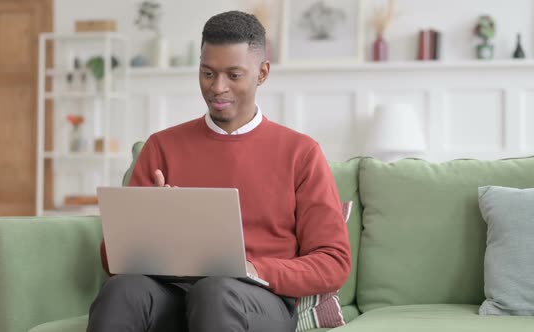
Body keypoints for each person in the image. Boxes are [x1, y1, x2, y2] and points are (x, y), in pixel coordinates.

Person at [87, 10, 351, 332]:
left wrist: (255, 269)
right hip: (173, 293)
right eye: (208, 73)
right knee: (122, 292)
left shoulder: (301, 153)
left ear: (262, 73)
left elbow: (333, 262)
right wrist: (151, 223)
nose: (217, 87)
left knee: (215, 292)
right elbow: (112, 260)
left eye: (233, 75)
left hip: (256, 298)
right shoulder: (161, 147)